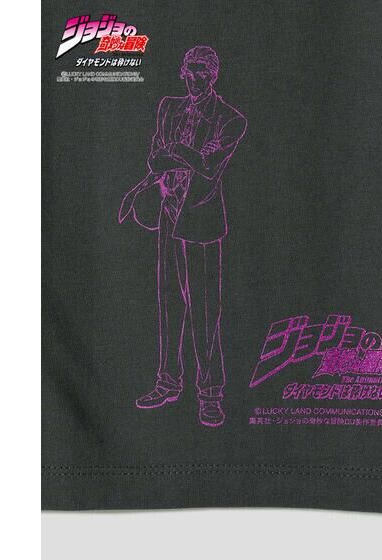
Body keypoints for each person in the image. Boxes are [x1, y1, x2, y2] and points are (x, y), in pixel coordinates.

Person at [120, 46, 247, 427]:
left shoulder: (231, 119)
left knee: (205, 312)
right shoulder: (168, 107)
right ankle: (168, 382)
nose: (195, 80)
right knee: (170, 302)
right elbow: (154, 159)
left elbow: (207, 167)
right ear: (181, 72)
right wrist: (174, 165)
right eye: (190, 72)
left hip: (202, 222)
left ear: (214, 76)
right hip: (168, 212)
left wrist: (175, 151)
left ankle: (210, 395)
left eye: (202, 73)